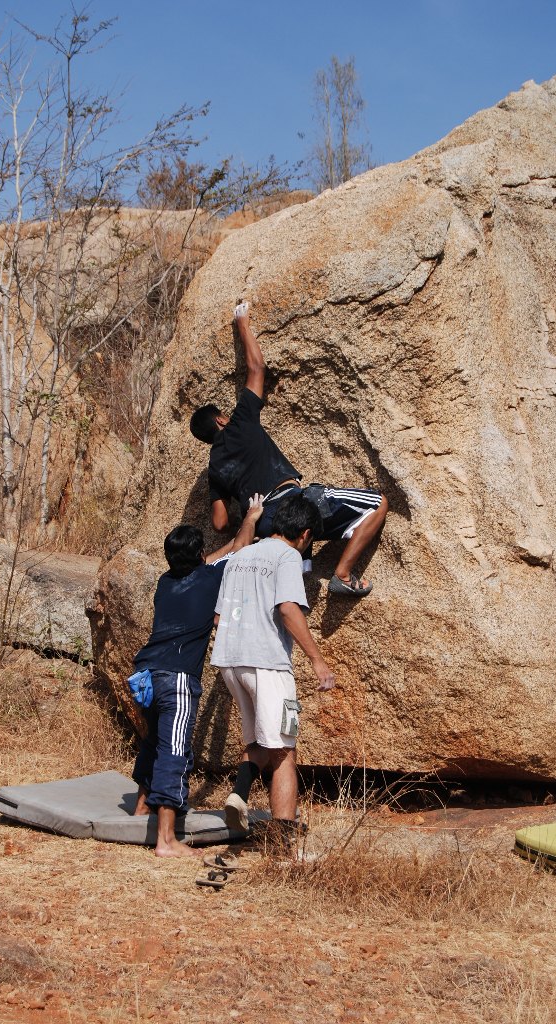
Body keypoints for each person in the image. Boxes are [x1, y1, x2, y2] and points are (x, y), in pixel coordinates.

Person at [189, 301, 389, 597]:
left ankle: (204, 567)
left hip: (266, 525)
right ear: (221, 419)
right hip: (293, 505)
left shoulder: (215, 468)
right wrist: (242, 321)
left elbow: (219, 523)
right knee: (378, 503)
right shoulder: (240, 422)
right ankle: (343, 574)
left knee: (243, 544)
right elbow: (257, 367)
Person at [131, 495, 263, 858]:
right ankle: (166, 840)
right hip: (176, 679)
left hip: (144, 674)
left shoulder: (165, 582)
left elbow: (211, 559)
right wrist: (251, 515)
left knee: (154, 742)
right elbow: (240, 545)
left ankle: (141, 807)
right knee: (174, 750)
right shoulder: (208, 580)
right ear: (199, 554)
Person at [211, 493, 335, 848]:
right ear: (306, 534)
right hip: (268, 663)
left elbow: (219, 615)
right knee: (284, 746)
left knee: (259, 740)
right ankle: (283, 843)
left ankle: (239, 794)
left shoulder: (241, 555)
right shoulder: (288, 557)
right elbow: (288, 609)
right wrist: (317, 660)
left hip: (231, 662)